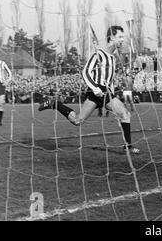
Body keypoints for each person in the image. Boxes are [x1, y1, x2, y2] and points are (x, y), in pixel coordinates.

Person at [38, 26, 139, 154]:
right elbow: (85, 72)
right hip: (97, 91)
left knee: (77, 120)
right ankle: (128, 147)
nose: (122, 40)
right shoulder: (99, 54)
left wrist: (114, 90)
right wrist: (95, 88)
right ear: (112, 37)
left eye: (122, 37)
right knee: (125, 114)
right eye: (120, 37)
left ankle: (55, 104)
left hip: (106, 92)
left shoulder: (112, 58)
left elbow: (109, 79)